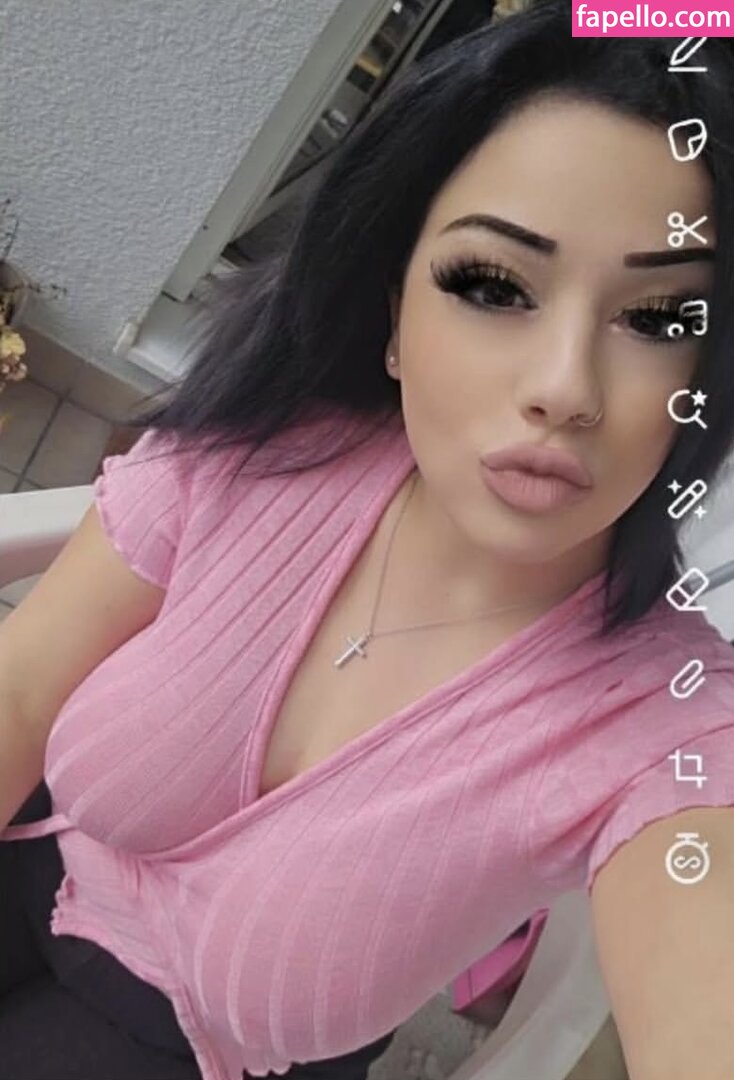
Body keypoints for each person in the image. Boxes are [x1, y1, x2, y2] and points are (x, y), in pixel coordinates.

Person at [2, 0, 734, 1077]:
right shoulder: (267, 446)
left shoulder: (668, 722)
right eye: (495, 285)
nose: (562, 387)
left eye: (659, 319)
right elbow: (21, 692)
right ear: (395, 314)